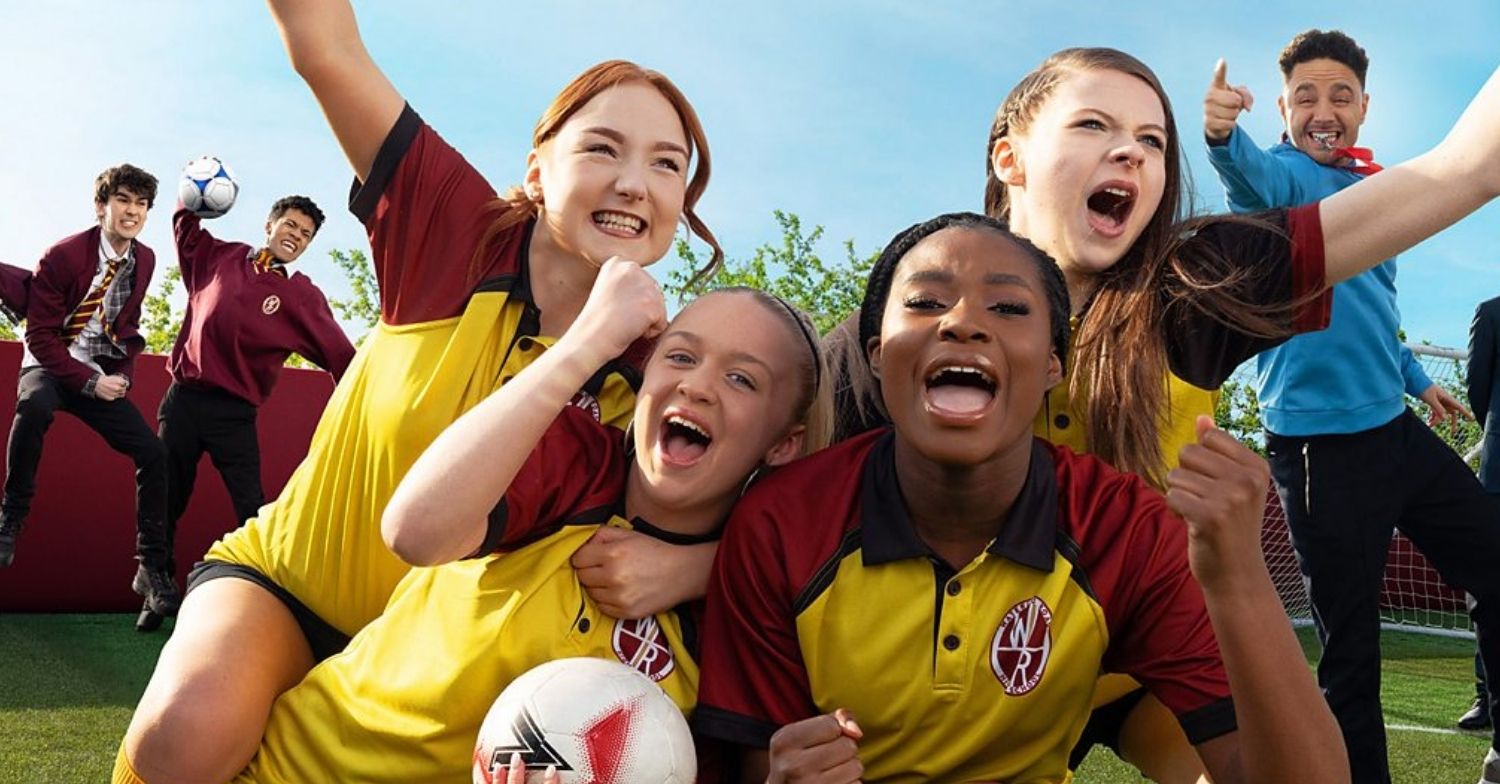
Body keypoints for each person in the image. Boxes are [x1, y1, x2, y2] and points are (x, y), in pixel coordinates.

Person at [117, 1, 721, 780]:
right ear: (538, 170)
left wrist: (698, 566)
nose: (634, 184)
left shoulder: (661, 375)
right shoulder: (456, 230)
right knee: (183, 735)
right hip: (289, 590)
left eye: (668, 165)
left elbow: (784, 497)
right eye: (603, 148)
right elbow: (325, 47)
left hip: (426, 676)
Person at [695, 212, 1352, 783]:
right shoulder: (779, 524)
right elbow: (756, 763)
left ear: (1051, 367)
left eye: (1008, 308)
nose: (962, 323)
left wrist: (1239, 578)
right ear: (875, 354)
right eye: (925, 302)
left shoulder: (1125, 529)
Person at [226, 269, 829, 782]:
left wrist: (706, 570)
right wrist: (588, 341)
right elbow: (414, 530)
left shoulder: (748, 608)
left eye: (741, 379)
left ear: (784, 442)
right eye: (681, 356)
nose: (696, 386)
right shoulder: (573, 458)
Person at [1205, 30, 1500, 783]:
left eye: (1340, 96)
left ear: (1364, 107)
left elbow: (1372, 308)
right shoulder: (1284, 181)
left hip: (1396, 431)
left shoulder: (1375, 187)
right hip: (1319, 453)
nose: (1323, 110)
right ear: (1284, 109)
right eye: (1305, 97)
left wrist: (1417, 378)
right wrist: (1223, 137)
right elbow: (1251, 178)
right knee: (1351, 651)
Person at [135, 193, 356, 632]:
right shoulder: (218, 257)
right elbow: (184, 225)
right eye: (290, 225)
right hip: (184, 399)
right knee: (166, 493)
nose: (296, 236)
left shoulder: (301, 297)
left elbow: (343, 359)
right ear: (270, 224)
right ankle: (153, 581)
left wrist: (358, 411)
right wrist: (192, 189)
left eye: (306, 234)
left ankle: (267, 599)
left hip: (234, 415)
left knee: (252, 507)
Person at [0, 163, 179, 617]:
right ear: (101, 206)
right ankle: (10, 518)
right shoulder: (62, 256)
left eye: (141, 204)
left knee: (154, 454)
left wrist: (120, 375)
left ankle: (151, 565)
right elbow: (39, 337)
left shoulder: (144, 260)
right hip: (49, 363)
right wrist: (89, 381)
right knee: (34, 404)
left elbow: (126, 325)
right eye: (123, 200)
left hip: (95, 368)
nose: (132, 211)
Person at [1467, 294, 1500, 733]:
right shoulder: (1491, 312)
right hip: (1498, 477)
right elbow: (1477, 388)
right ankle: (1486, 696)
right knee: (1490, 589)